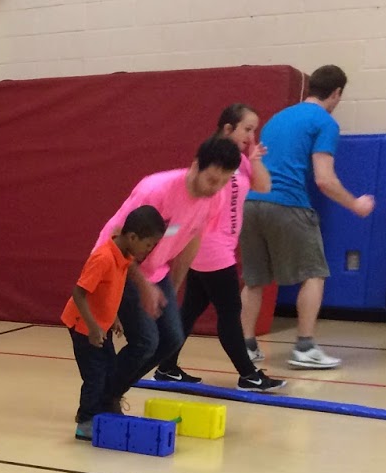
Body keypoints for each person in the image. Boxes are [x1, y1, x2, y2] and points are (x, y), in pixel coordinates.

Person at [239, 64, 375, 369]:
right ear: (337, 93)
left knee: (254, 280)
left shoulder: (278, 118)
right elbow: (324, 179)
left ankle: (245, 346)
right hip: (288, 203)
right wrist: (356, 205)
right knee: (314, 273)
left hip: (252, 202)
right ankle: (305, 347)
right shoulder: (324, 122)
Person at [95, 136, 243, 408]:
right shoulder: (156, 190)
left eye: (224, 181)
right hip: (117, 264)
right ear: (196, 166)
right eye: (212, 179)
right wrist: (140, 289)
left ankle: (111, 388)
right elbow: (119, 240)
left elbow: (192, 240)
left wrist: (171, 289)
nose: (217, 188)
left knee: (171, 338)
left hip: (155, 271)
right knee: (146, 342)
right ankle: (104, 397)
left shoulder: (215, 199)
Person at [154, 104, 286, 391]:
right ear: (228, 129)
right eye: (247, 129)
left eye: (254, 130)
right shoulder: (211, 160)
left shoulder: (242, 158)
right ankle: (248, 374)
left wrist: (254, 159)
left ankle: (166, 366)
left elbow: (264, 186)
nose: (252, 135)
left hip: (218, 245)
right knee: (229, 311)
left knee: (190, 310)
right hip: (210, 246)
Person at [64, 205, 165, 439]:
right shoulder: (103, 258)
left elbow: (108, 292)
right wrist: (92, 327)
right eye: (148, 245)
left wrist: (115, 318)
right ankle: (85, 422)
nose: (149, 251)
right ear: (132, 237)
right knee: (95, 375)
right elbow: (79, 293)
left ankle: (98, 412)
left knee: (109, 370)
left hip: (100, 325)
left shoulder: (123, 257)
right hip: (84, 326)